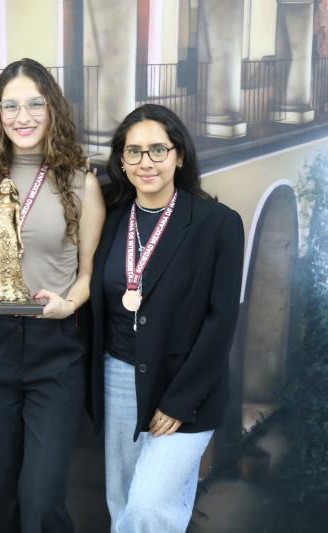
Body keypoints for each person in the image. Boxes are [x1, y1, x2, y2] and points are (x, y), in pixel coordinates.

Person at [0, 57, 105, 533]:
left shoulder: (80, 181)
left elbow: (87, 275)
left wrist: (69, 304)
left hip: (55, 350)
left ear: (52, 108)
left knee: (41, 501)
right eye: (11, 105)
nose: (23, 116)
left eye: (35, 104)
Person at [89, 104, 244, 533]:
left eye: (158, 149)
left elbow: (221, 322)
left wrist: (180, 400)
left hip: (184, 385)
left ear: (179, 155)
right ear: (122, 162)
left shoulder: (218, 224)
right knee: (122, 502)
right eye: (134, 152)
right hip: (118, 376)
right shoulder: (110, 219)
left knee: (148, 506)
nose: (146, 162)